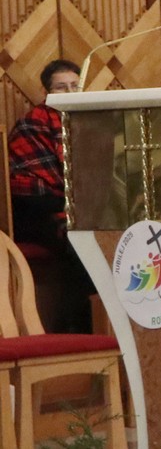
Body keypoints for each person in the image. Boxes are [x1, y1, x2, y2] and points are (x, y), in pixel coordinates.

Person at [7, 59, 93, 332]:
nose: (69, 92)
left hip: (79, 206)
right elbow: (26, 182)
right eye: (61, 87)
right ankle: (78, 328)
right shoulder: (34, 123)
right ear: (47, 92)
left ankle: (99, 321)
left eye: (75, 86)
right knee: (80, 243)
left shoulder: (90, 119)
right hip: (39, 208)